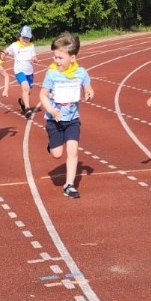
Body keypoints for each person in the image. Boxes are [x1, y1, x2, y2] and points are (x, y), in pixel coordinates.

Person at [40, 32, 93, 199]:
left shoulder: (81, 73)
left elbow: (88, 87)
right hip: (54, 120)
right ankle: (52, 145)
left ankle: (69, 185)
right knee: (57, 154)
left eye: (60, 58)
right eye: (55, 57)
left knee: (73, 151)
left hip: (72, 120)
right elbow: (42, 95)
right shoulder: (52, 73)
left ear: (72, 58)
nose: (56, 61)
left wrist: (89, 92)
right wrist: (51, 109)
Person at [5, 24, 37, 117]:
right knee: (25, 88)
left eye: (27, 38)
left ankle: (22, 102)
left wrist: (35, 59)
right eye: (23, 37)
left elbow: (34, 56)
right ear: (19, 36)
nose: (25, 40)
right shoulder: (15, 45)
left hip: (29, 72)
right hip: (19, 71)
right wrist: (1, 57)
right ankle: (27, 108)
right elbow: (6, 51)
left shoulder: (31, 46)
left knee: (28, 91)